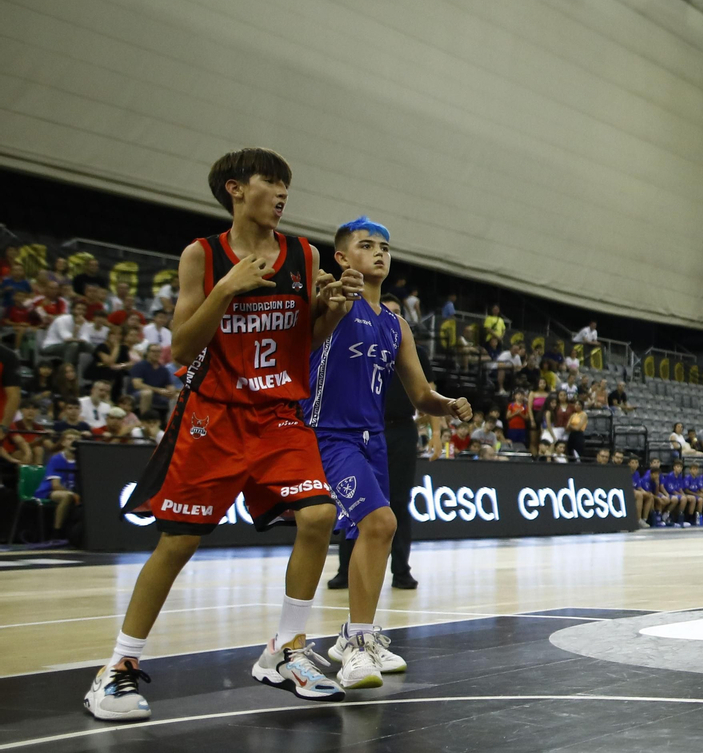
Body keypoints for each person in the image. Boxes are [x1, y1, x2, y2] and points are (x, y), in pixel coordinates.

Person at [85, 148, 353, 723]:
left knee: (318, 516)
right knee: (177, 544)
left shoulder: (303, 255)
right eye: (271, 182)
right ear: (235, 189)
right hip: (215, 415)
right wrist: (225, 289)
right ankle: (117, 668)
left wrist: (329, 309)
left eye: (287, 184)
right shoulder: (201, 256)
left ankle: (288, 649)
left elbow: (305, 342)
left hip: (279, 411)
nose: (282, 193)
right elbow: (182, 347)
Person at [301, 219, 472, 689]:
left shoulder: (396, 325)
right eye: (366, 246)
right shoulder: (331, 298)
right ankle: (355, 642)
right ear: (341, 257)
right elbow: (313, 313)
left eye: (385, 247)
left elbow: (420, 394)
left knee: (374, 531)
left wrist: (448, 405)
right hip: (327, 434)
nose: (379, 253)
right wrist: (327, 293)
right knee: (382, 524)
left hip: (372, 439)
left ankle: (358, 637)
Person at [37, 429, 82, 534]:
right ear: (63, 442)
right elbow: (55, 485)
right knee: (68, 496)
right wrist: (75, 494)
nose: (73, 442)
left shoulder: (82, 459)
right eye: (70, 439)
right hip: (49, 491)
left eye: (76, 439)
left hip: (74, 492)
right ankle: (57, 531)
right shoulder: (57, 459)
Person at [629, 456, 653, 529]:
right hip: (628, 491)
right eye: (632, 462)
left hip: (635, 491)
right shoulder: (626, 472)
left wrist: (645, 492)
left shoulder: (637, 473)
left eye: (636, 462)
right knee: (639, 495)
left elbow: (639, 487)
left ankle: (644, 519)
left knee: (650, 495)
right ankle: (638, 519)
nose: (635, 464)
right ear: (629, 464)